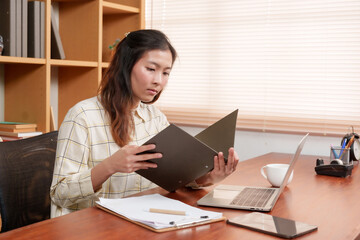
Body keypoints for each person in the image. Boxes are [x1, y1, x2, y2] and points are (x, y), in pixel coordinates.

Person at [50, 29, 239, 218]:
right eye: (151, 69)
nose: (158, 81)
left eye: (166, 73)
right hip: (96, 226)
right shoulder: (82, 116)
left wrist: (207, 177)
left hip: (144, 221)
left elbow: (173, 179)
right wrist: (110, 166)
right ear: (126, 66)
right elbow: (60, 194)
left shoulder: (156, 118)